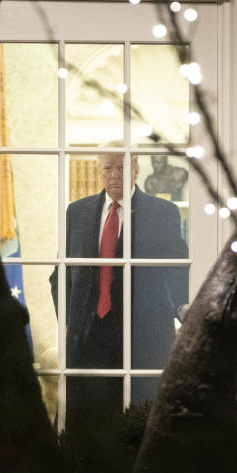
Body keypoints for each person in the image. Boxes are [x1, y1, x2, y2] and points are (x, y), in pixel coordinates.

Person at [50, 152, 188, 410]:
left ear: (136, 170)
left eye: (122, 168)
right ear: (99, 171)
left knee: (140, 413)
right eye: (108, 168)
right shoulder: (76, 212)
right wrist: (68, 320)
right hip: (88, 335)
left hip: (143, 333)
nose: (114, 175)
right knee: (86, 419)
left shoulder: (164, 213)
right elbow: (60, 275)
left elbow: (177, 268)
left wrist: (182, 306)